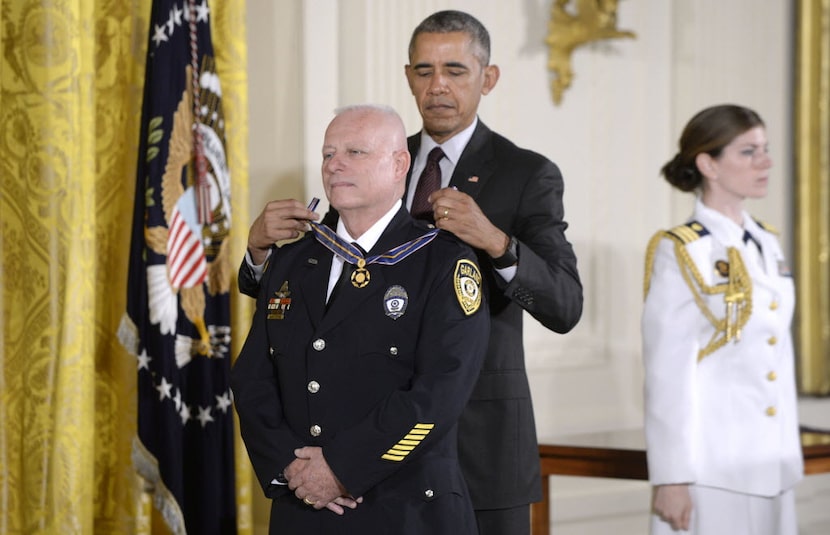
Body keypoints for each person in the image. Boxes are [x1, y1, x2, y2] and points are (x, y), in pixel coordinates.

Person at [239, 11, 583, 534]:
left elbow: (565, 306)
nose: (437, 85)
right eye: (423, 71)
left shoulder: (525, 173)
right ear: (408, 78)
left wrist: (494, 240)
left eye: (455, 70)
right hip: (355, 436)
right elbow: (321, 287)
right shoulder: (368, 158)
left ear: (487, 78)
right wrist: (258, 256)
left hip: (477, 442)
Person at [231, 104, 490, 534]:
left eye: (355, 152)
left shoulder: (443, 263)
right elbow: (252, 379)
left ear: (399, 164)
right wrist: (292, 470)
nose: (335, 165)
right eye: (328, 153)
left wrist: (340, 468)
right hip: (305, 508)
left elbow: (438, 394)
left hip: (406, 509)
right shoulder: (293, 261)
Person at [642, 104, 804, 534]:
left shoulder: (767, 242)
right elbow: (666, 371)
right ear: (708, 163)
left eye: (765, 149)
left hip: (773, 462)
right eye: (749, 151)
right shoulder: (681, 249)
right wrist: (671, 476)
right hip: (713, 469)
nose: (766, 162)